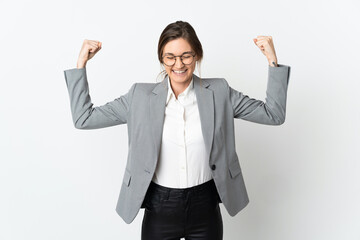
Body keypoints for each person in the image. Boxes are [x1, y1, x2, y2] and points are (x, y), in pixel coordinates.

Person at [63, 20, 291, 240]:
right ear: (161, 59)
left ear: (197, 56)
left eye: (186, 56)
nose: (178, 64)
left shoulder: (220, 92)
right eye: (170, 57)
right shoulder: (139, 97)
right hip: (160, 206)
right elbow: (84, 118)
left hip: (205, 205)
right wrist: (81, 64)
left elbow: (273, 114)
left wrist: (272, 60)